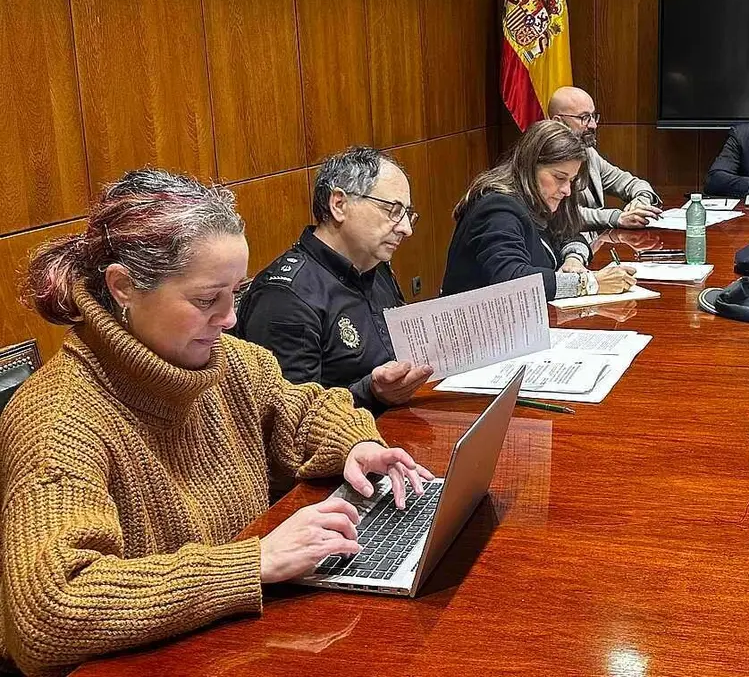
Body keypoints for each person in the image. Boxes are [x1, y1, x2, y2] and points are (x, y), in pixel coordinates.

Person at [0, 169, 435, 676]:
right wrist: (254, 563)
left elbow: (304, 410)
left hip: (232, 642)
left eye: (236, 293)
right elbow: (50, 610)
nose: (229, 318)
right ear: (123, 288)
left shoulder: (229, 361)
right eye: (207, 299)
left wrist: (356, 443)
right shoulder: (57, 418)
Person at [236, 147, 432, 414]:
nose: (406, 229)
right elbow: (291, 418)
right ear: (339, 204)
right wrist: (371, 392)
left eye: (407, 214)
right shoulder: (286, 297)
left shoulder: (376, 267)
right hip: (349, 436)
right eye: (393, 210)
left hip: (401, 419)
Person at [441, 120, 637, 300]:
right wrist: (588, 283)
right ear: (530, 166)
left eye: (571, 180)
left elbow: (568, 233)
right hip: (477, 323)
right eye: (559, 178)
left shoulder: (538, 198)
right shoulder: (498, 209)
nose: (567, 190)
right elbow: (511, 280)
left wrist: (574, 259)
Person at [548, 86, 663, 239]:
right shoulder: (544, 158)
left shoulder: (588, 153)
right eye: (584, 117)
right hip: (565, 247)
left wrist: (642, 199)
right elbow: (560, 214)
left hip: (595, 243)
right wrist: (617, 217)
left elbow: (629, 182)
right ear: (558, 121)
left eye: (593, 116)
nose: (593, 125)